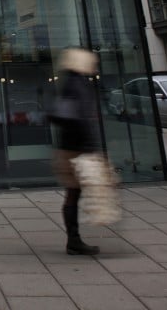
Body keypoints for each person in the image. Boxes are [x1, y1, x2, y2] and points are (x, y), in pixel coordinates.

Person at [49, 46, 102, 256]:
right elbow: (77, 120)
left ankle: (74, 239)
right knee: (74, 193)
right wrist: (90, 148)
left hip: (72, 147)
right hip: (75, 150)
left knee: (74, 193)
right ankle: (74, 240)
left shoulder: (72, 84)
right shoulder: (76, 85)